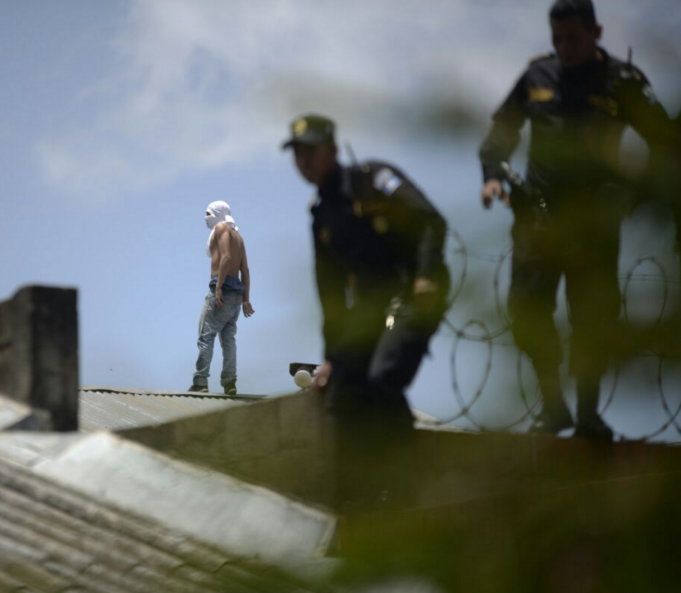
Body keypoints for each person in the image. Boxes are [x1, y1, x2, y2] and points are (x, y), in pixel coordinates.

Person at [479, 0, 675, 440]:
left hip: (593, 224)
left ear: (596, 32)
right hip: (537, 221)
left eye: (574, 38)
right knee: (527, 314)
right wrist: (492, 177)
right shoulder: (537, 77)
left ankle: (588, 413)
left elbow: (664, 141)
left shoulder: (623, 81)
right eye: (557, 39)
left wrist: (637, 193)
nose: (564, 47)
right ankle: (553, 407)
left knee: (593, 320)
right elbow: (499, 135)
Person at [284, 114, 449, 508]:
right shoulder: (320, 216)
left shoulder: (373, 178)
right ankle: (351, 507)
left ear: (332, 151)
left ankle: (403, 490)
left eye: (311, 152)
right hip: (371, 308)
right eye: (298, 154)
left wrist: (426, 275)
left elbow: (430, 222)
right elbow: (331, 295)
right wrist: (330, 357)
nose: (304, 161)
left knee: (384, 377)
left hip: (414, 293)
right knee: (341, 392)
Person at [188, 201, 254, 395]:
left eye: (208, 213)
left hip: (222, 290)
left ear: (218, 213)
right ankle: (230, 383)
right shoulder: (239, 238)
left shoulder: (220, 227)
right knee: (228, 340)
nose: (206, 218)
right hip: (236, 296)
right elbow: (245, 270)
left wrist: (218, 288)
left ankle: (200, 383)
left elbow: (225, 258)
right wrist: (246, 299)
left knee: (205, 337)